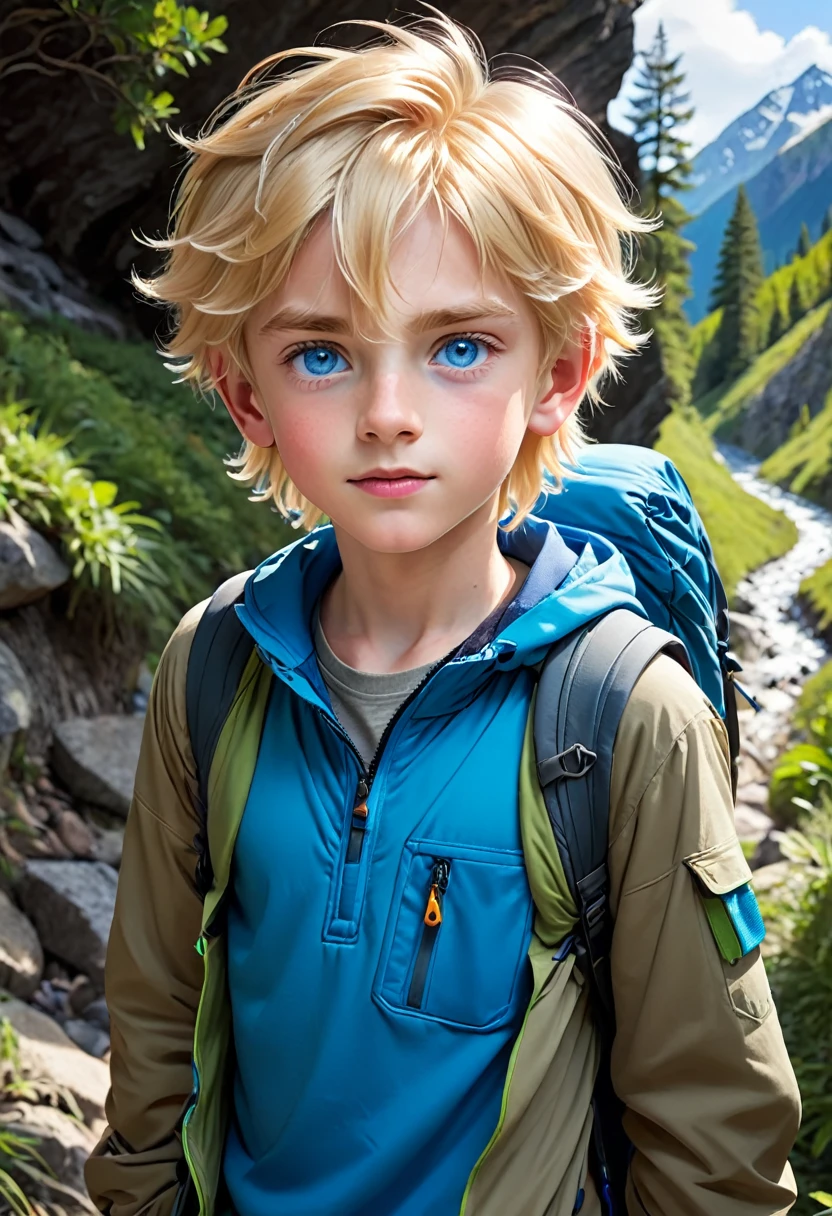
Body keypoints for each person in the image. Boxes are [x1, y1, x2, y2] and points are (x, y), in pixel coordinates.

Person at [85, 9, 801, 1216]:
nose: (386, 412)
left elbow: (714, 1135)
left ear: (558, 375)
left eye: (458, 346)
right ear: (243, 391)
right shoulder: (213, 667)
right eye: (321, 353)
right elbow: (155, 1014)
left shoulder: (627, 715)